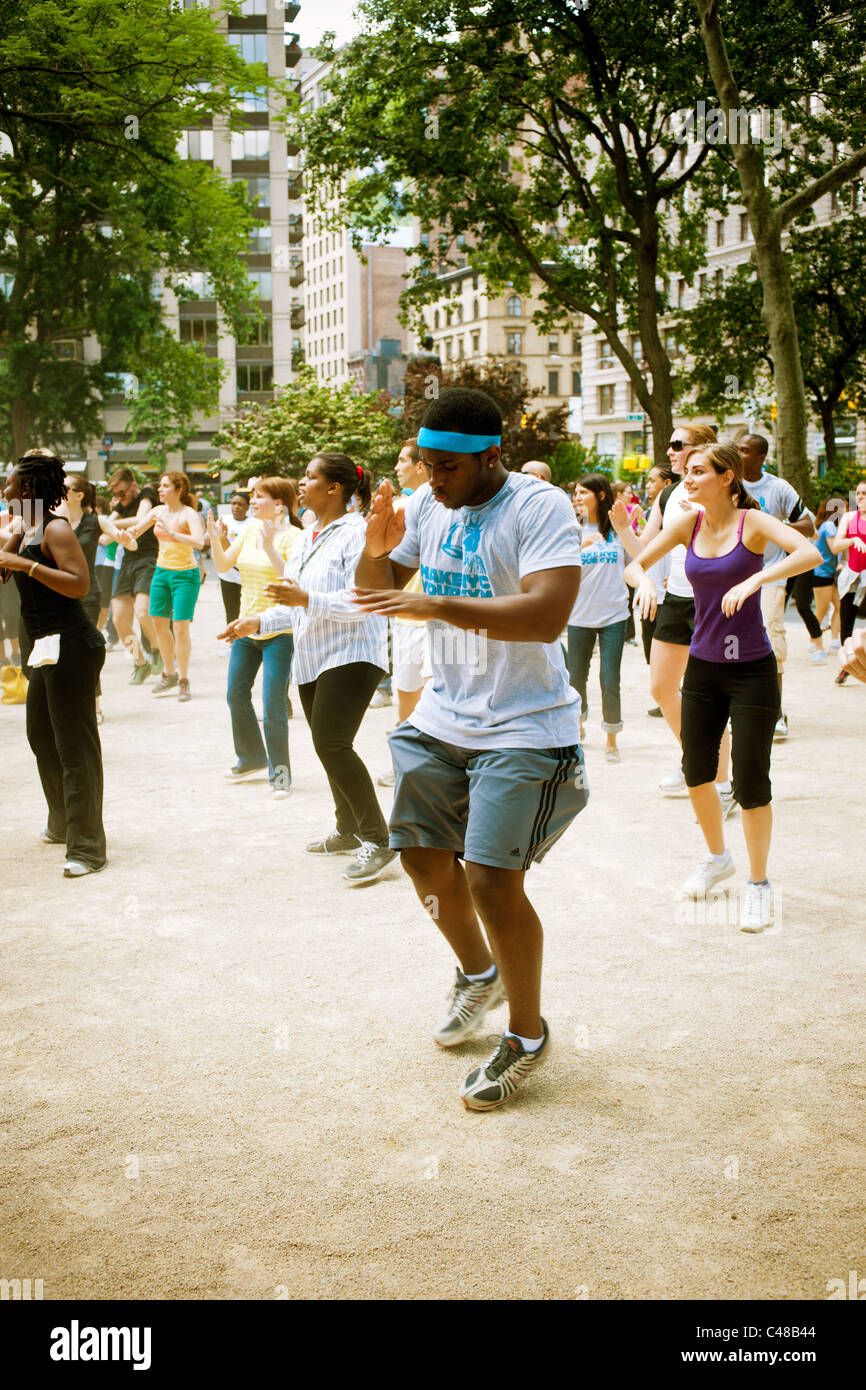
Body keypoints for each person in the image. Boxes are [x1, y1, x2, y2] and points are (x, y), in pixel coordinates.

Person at [354, 387, 587, 1111]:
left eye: (447, 468)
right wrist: (376, 550)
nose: (432, 480)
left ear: (492, 457)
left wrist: (436, 603)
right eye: (425, 465)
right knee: (420, 856)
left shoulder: (536, 508)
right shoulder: (427, 504)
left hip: (526, 722)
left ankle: (525, 1035)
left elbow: (547, 617)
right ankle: (477, 973)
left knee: (490, 879)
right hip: (445, 715)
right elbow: (377, 595)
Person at [624, 441, 821, 931]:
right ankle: (717, 858)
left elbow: (809, 550)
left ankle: (758, 884)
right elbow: (635, 564)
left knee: (753, 782)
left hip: (752, 670)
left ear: (727, 477)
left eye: (697, 472)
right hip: (705, 668)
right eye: (685, 471)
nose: (687, 479)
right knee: (697, 772)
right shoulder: (686, 524)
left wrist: (757, 580)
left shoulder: (750, 523)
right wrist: (645, 581)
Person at [219, 454, 394, 884]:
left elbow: (363, 601)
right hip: (314, 655)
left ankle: (379, 838)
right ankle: (348, 829)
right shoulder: (309, 536)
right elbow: (296, 604)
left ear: (334, 488)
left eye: (310, 477)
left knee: (333, 743)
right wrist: (258, 621)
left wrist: (303, 602)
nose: (301, 482)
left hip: (353, 653)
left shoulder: (356, 533)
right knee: (325, 744)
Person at [611, 424, 735, 811]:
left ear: (703, 450)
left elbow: (739, 542)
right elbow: (644, 550)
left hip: (712, 603)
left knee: (708, 697)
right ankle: (695, 758)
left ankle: (724, 782)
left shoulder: (723, 491)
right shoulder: (668, 493)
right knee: (662, 689)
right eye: (670, 444)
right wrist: (621, 530)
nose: (671, 451)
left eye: (679, 445)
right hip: (676, 599)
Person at [0, 451, 107, 876]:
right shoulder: (26, 524)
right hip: (43, 643)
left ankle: (87, 847)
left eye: (8, 485)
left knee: (74, 744)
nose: (4, 491)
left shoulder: (56, 528)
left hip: (72, 644)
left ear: (26, 489)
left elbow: (80, 584)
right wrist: (15, 548)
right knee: (40, 734)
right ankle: (63, 822)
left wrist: (26, 563)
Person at [208, 478, 301, 797]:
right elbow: (223, 565)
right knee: (235, 694)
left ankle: (281, 773)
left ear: (279, 505)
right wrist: (214, 539)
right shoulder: (249, 530)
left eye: (259, 497)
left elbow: (293, 580)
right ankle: (251, 758)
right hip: (246, 627)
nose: (252, 501)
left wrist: (271, 547)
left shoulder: (295, 537)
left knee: (273, 704)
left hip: (280, 631)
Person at [738, 433, 815, 738]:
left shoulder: (778, 487)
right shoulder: (727, 484)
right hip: (733, 574)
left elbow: (808, 526)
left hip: (770, 573)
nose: (738, 453)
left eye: (744, 450)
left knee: (770, 636)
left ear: (760, 457)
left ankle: (776, 712)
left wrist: (775, 528)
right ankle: (742, 708)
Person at [377, 439, 433, 787]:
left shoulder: (448, 506)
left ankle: (435, 767)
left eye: (402, 461)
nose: (397, 467)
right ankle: (405, 764)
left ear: (420, 466)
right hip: (405, 617)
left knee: (435, 691)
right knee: (405, 694)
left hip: (440, 618)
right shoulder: (399, 508)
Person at [122, 472, 204, 701]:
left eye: (165, 486)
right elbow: (136, 531)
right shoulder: (158, 512)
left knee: (180, 628)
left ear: (179, 490)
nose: (160, 489)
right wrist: (123, 535)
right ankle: (169, 673)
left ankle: (184, 679)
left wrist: (172, 533)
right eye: (160, 486)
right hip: (161, 573)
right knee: (159, 624)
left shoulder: (188, 514)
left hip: (185, 576)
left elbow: (199, 541)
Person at [566, 474, 628, 762]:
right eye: (575, 493)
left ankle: (612, 739)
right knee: (576, 677)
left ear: (601, 495)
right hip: (579, 615)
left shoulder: (618, 529)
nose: (577, 497)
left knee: (609, 678)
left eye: (583, 492)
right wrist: (581, 548)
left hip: (614, 614)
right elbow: (557, 567)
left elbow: (638, 559)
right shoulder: (570, 529)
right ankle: (577, 724)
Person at [105, 467, 161, 684]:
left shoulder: (146, 495)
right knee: (119, 618)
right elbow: (107, 531)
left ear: (134, 486)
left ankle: (158, 650)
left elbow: (140, 519)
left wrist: (108, 525)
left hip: (148, 558)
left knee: (142, 612)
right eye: (116, 495)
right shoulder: (121, 505)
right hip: (128, 560)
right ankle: (140, 662)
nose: (119, 498)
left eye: (122, 493)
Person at [828, 479, 866, 685]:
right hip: (852, 576)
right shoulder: (850, 517)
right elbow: (835, 547)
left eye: (864, 494)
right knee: (847, 623)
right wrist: (853, 540)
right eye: (858, 493)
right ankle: (847, 666)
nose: (860, 497)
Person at [812, 495, 844, 650]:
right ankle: (814, 641)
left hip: (828, 575)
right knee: (821, 611)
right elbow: (835, 549)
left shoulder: (824, 525)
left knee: (839, 607)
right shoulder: (829, 526)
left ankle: (834, 641)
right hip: (822, 575)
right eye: (842, 507)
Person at [218, 490, 251, 625]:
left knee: (246, 611)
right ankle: (233, 643)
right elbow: (210, 540)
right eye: (234, 504)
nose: (236, 507)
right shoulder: (223, 520)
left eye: (240, 504)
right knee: (231, 611)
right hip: (228, 575)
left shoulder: (254, 523)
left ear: (248, 507)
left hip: (247, 574)